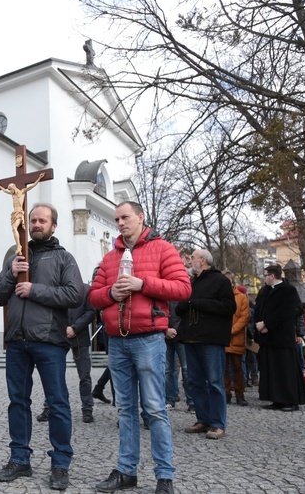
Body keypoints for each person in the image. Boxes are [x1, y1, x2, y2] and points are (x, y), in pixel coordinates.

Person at [89, 201, 190, 494]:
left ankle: (164, 476)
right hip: (117, 341)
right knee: (125, 411)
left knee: (156, 408)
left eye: (125, 217)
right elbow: (93, 297)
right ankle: (126, 471)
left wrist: (141, 283)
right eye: (117, 218)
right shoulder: (109, 258)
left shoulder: (163, 249)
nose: (120, 222)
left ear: (140, 218)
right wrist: (110, 292)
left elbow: (183, 289)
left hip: (149, 339)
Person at [0, 203, 83, 491]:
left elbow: (74, 295)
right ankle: (20, 459)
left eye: (43, 220)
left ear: (53, 226)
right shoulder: (16, 257)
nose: (36, 224)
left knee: (57, 403)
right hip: (17, 341)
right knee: (18, 402)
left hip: (49, 341)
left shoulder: (63, 257)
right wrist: (11, 273)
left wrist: (35, 290)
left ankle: (60, 464)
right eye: (33, 220)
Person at [175, 250, 236, 441]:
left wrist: (198, 303)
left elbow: (229, 307)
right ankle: (202, 419)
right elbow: (181, 307)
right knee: (195, 382)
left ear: (203, 260)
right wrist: (183, 306)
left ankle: (217, 423)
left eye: (193, 258)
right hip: (191, 337)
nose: (190, 261)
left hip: (211, 339)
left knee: (215, 382)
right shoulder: (191, 282)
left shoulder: (220, 281)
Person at [36, 282, 97, 424]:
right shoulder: (56, 289)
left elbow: (91, 312)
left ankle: (87, 409)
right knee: (53, 375)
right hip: (57, 336)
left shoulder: (86, 289)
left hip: (79, 337)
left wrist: (74, 328)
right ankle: (49, 407)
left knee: (85, 375)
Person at [254, 264, 305, 412]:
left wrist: (267, 323)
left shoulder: (288, 290)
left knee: (286, 370)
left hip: (282, 337)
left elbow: (287, 311)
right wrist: (259, 325)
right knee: (271, 369)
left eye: (265, 275)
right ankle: (276, 399)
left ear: (272, 276)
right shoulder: (264, 290)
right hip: (267, 337)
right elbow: (258, 309)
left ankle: (291, 401)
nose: (264, 278)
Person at [0, 172, 45, 255]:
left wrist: (39, 178)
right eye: (10, 190)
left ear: (14, 187)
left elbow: (32, 186)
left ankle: (19, 246)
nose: (10, 191)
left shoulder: (22, 192)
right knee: (14, 228)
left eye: (11, 189)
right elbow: (4, 191)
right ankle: (19, 246)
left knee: (14, 228)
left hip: (19, 213)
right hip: (14, 213)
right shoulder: (12, 194)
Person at [223, 271, 251, 407]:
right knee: (223, 369)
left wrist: (231, 331)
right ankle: (226, 393)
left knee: (238, 368)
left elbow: (245, 317)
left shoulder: (241, 298)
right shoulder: (218, 297)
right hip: (222, 338)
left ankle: (240, 395)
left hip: (236, 338)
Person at [165, 301, 193, 412]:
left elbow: (185, 314)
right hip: (166, 335)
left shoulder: (181, 294)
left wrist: (175, 330)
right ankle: (169, 400)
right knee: (167, 370)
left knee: (186, 369)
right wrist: (165, 329)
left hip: (181, 336)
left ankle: (191, 401)